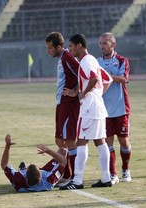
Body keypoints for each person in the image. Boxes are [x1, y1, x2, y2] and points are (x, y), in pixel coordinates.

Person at [60, 34, 113, 190]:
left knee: (82, 141)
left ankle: (77, 180)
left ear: (79, 46)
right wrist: (94, 94)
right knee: (100, 140)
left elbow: (94, 79)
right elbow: (107, 79)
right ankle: (106, 178)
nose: (70, 49)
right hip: (97, 105)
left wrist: (82, 94)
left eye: (71, 46)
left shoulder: (85, 61)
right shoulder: (92, 60)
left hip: (89, 107)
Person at [45, 32, 80, 184]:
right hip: (61, 104)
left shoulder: (67, 58)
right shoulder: (62, 59)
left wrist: (75, 92)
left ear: (59, 46)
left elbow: (83, 74)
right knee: (60, 140)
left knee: (69, 139)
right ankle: (64, 171)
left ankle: (70, 175)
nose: (48, 51)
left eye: (50, 48)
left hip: (69, 104)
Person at [98, 32, 131, 184]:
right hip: (104, 109)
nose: (102, 46)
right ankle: (113, 174)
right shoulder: (97, 62)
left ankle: (126, 169)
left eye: (105, 43)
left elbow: (124, 79)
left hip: (121, 108)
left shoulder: (122, 60)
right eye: (100, 43)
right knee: (108, 142)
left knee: (123, 141)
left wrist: (106, 75)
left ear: (113, 44)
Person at [1, 134, 67, 192]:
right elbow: (63, 162)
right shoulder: (49, 179)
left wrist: (7, 146)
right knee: (63, 151)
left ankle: (23, 168)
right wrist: (48, 151)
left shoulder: (18, 179)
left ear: (25, 176)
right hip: (48, 174)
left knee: (62, 151)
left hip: (30, 181)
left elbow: (4, 165)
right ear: (41, 174)